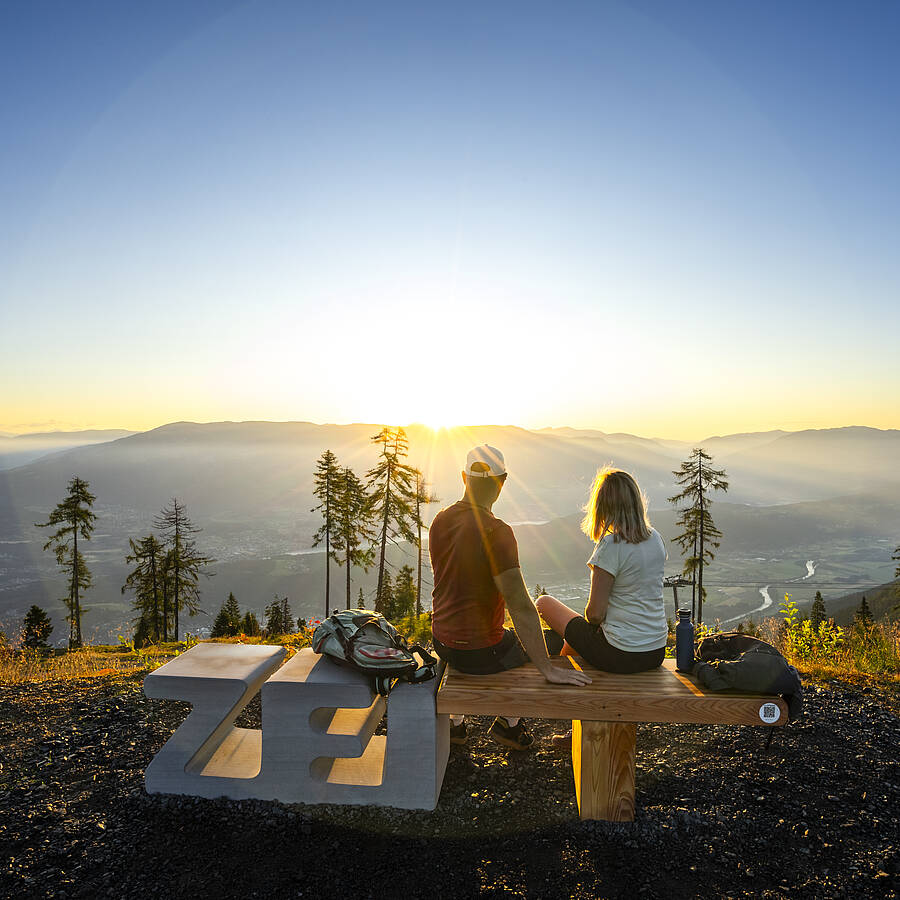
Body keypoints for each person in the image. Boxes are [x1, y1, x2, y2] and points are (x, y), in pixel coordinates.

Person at [429, 444, 591, 750]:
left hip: (443, 642)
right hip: (481, 651)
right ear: (502, 482)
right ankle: (510, 725)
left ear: (464, 478)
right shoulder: (496, 532)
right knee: (551, 644)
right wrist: (547, 668)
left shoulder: (440, 520)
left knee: (505, 642)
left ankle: (456, 725)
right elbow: (520, 605)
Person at [535, 467, 667, 749]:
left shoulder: (610, 546)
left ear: (602, 506)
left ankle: (568, 703)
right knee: (575, 642)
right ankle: (577, 724)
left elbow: (594, 614)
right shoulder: (655, 539)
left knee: (544, 603)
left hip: (620, 653)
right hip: (654, 651)